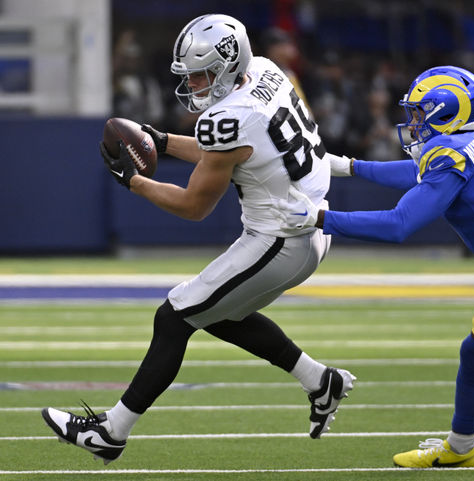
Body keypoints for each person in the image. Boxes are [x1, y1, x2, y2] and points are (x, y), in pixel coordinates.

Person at [41, 14, 355, 465]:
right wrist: (162, 141)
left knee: (174, 318)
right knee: (214, 312)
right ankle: (319, 380)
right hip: (307, 225)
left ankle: (112, 432)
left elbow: (194, 206)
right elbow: (233, 150)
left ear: (230, 64)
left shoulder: (228, 118)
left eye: (203, 72)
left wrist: (134, 182)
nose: (194, 82)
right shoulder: (267, 71)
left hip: (281, 238)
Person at [274, 65, 474, 468]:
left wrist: (320, 218)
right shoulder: (469, 143)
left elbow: (399, 225)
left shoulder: (454, 154)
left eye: (420, 112)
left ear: (447, 112)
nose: (413, 121)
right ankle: (461, 449)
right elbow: (421, 173)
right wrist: (352, 167)